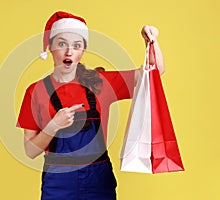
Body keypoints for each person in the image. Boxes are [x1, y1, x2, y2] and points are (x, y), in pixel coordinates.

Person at [17, 11, 165, 200]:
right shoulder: (35, 91)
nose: (69, 52)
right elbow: (30, 151)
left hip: (99, 182)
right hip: (59, 185)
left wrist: (151, 42)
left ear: (83, 50)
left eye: (76, 45)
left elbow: (154, 73)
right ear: (50, 47)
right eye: (62, 44)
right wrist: (53, 126)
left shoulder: (100, 83)